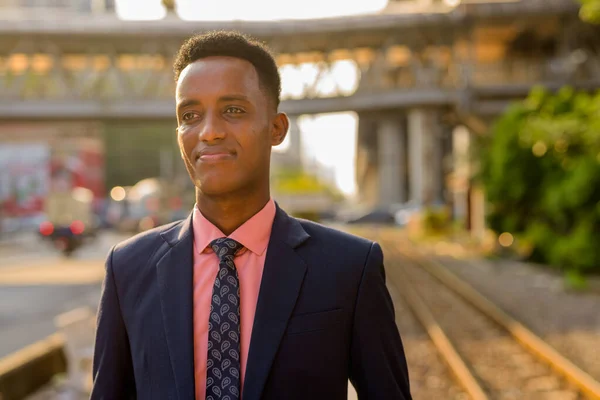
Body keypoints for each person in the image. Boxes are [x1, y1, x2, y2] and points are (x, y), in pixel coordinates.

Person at [91, 30, 412, 400]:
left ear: (276, 129)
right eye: (190, 114)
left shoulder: (349, 268)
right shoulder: (128, 268)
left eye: (233, 110)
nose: (209, 132)